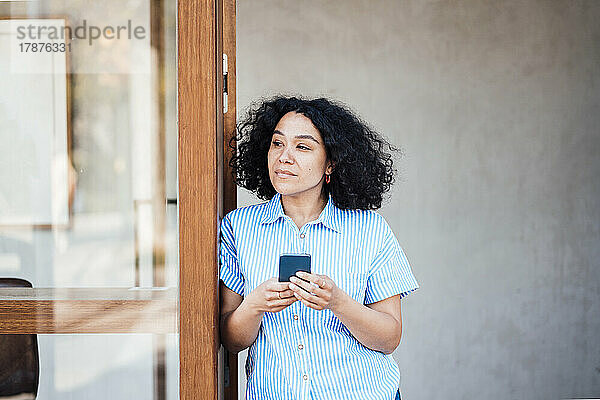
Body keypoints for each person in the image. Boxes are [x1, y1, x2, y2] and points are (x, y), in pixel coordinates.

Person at [219, 96, 419, 400]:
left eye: (302, 146)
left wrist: (338, 302)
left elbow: (389, 338)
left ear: (330, 163)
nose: (284, 157)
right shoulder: (238, 228)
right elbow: (231, 340)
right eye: (277, 143)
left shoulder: (370, 230)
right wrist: (255, 304)